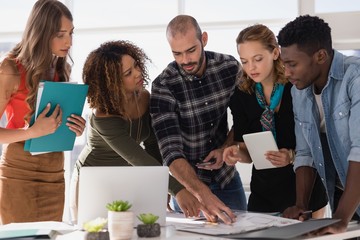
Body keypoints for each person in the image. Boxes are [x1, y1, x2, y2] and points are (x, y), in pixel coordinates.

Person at [69, 40, 201, 224]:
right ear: (112, 83)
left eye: (136, 66)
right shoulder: (103, 115)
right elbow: (138, 158)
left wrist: (160, 186)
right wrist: (177, 189)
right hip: (92, 182)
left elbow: (153, 146)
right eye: (128, 73)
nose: (138, 73)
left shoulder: (145, 97)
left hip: (126, 178)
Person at [150, 14, 247, 224]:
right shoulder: (163, 86)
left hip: (227, 178)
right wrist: (202, 195)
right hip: (190, 187)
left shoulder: (229, 68)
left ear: (203, 39)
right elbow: (170, 151)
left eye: (191, 50)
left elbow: (245, 117)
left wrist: (225, 147)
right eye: (177, 53)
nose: (185, 60)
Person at [222, 24, 328, 217]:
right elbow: (248, 153)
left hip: (304, 192)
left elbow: (321, 144)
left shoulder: (300, 88)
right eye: (244, 61)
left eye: (258, 59)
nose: (250, 67)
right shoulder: (241, 95)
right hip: (264, 195)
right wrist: (236, 153)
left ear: (276, 53)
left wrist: (292, 156)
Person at [0, 0, 86, 224]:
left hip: (54, 174)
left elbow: (58, 125)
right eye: (60, 34)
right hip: (19, 174)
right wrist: (31, 132)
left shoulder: (63, 69)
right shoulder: (10, 69)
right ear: (41, 33)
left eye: (71, 33)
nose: (68, 41)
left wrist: (75, 127)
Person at [277, 15, 360, 235]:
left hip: (347, 207)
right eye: (284, 64)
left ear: (320, 56)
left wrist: (340, 218)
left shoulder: (355, 78)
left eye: (292, 64)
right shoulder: (299, 91)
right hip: (348, 202)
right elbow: (305, 152)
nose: (286, 73)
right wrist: (301, 206)